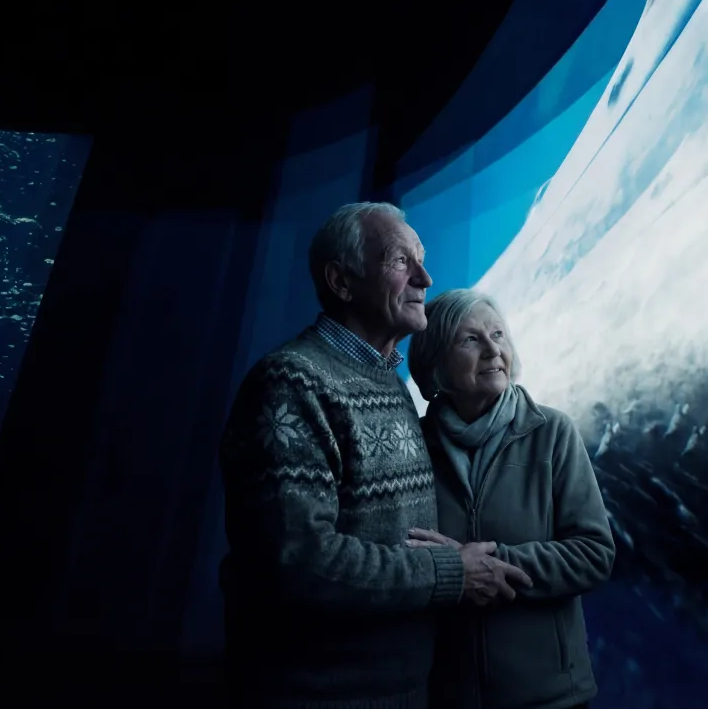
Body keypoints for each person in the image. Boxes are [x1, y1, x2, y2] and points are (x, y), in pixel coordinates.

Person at [217, 204, 532, 709]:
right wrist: (452, 574)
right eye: (399, 261)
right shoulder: (290, 383)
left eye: (422, 260)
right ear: (342, 282)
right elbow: (298, 562)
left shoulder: (390, 381)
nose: (425, 278)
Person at [405, 289, 616, 709]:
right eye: (470, 340)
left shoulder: (552, 432)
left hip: (552, 698)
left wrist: (492, 565)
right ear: (436, 364)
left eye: (498, 334)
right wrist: (449, 572)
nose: (493, 349)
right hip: (448, 698)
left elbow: (595, 554)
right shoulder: (414, 446)